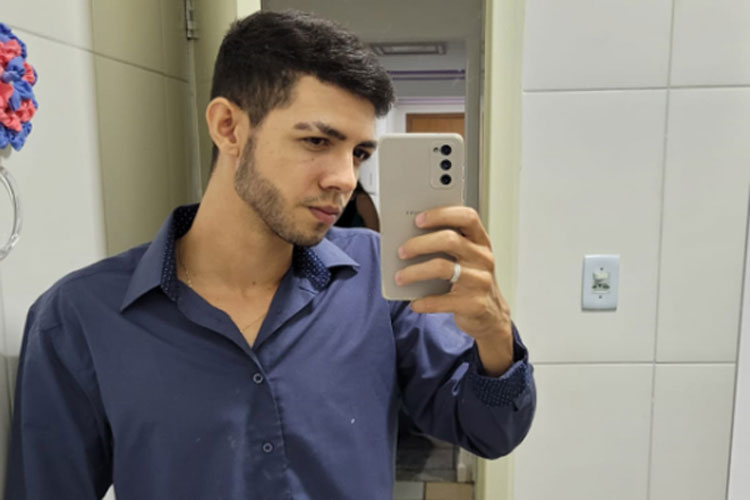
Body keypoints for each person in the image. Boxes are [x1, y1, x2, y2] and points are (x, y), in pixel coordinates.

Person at [5, 10, 536, 500]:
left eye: (358, 153)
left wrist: (494, 334)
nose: (344, 179)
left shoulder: (380, 278)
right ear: (229, 127)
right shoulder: (78, 317)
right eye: (316, 142)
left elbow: (489, 432)